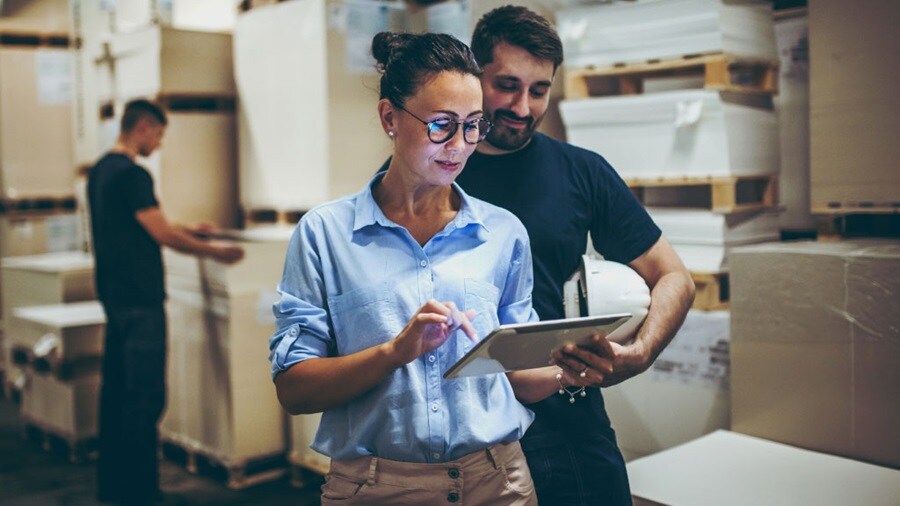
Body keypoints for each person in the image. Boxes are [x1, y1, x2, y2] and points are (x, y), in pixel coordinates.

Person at [269, 32, 595, 505]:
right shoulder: (325, 235)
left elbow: (516, 376)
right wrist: (395, 351)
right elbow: (294, 391)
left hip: (498, 483)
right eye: (441, 125)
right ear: (389, 117)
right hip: (373, 488)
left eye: (473, 126)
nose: (459, 147)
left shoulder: (503, 233)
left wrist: (575, 368)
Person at [455, 6, 697, 505]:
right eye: (507, 85)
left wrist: (640, 353)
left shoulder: (581, 171)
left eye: (539, 90)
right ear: (473, 75)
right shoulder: (431, 170)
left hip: (565, 420)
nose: (523, 107)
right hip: (458, 428)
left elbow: (673, 276)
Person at [88, 98, 245, 504]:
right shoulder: (133, 175)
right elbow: (161, 235)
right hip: (141, 303)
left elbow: (140, 224)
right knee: (145, 397)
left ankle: (115, 488)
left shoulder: (102, 171)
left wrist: (189, 227)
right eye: (158, 135)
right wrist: (215, 251)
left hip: (115, 300)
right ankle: (140, 493)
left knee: (118, 394)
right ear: (142, 127)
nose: (157, 144)